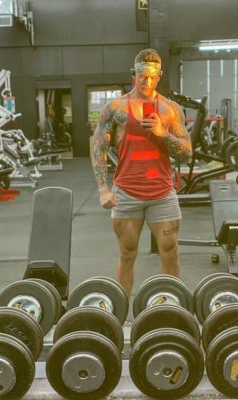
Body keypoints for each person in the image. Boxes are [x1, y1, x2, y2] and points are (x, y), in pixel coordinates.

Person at [91, 48, 192, 298]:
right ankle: (120, 311)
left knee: (170, 251)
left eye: (152, 77)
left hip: (162, 193)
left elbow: (187, 153)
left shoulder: (170, 109)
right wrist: (103, 189)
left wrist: (162, 133)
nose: (147, 82)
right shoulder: (114, 109)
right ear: (133, 74)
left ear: (160, 76)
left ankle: (169, 306)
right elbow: (98, 149)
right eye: (142, 76)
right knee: (127, 254)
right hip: (126, 192)